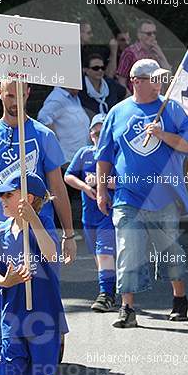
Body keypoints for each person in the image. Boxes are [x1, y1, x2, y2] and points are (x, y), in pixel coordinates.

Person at [96, 59, 188, 327]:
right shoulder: (117, 112)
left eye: (161, 78)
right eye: (154, 78)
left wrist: (163, 134)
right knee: (128, 250)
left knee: (169, 251)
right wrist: (100, 190)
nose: (160, 83)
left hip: (164, 196)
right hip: (127, 197)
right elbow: (104, 155)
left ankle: (179, 298)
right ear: (136, 81)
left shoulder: (172, 108)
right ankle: (128, 308)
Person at [0, 172, 72, 375]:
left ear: (28, 198)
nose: (2, 200)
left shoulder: (42, 226)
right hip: (12, 317)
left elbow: (52, 255)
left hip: (43, 318)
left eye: (8, 194)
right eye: (1, 195)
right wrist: (6, 281)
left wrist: (33, 221)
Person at [0, 77, 77, 266]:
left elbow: (58, 188)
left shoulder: (45, 136)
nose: (15, 101)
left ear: (28, 93)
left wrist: (69, 234)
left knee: (41, 293)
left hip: (39, 229)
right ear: (0, 94)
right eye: (10, 95)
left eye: (20, 95)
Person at [65, 114, 116, 312]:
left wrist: (104, 183)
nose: (98, 136)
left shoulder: (115, 154)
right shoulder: (84, 153)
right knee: (98, 256)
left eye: (102, 132)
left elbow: (127, 180)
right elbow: (68, 175)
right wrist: (86, 188)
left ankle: (106, 295)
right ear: (90, 135)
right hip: (89, 215)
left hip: (108, 213)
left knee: (104, 252)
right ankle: (111, 289)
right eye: (95, 133)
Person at [37, 86, 91, 165]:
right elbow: (43, 117)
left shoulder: (74, 97)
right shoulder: (57, 98)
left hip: (79, 157)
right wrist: (55, 145)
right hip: (67, 160)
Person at [116, 19, 171, 92]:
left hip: (157, 96)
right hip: (137, 97)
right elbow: (121, 80)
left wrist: (161, 56)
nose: (152, 36)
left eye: (154, 33)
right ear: (139, 35)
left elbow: (168, 75)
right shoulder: (129, 53)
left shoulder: (157, 51)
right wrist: (129, 97)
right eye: (149, 34)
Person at [78, 53, 127, 118]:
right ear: (85, 70)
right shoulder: (80, 88)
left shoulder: (111, 84)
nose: (100, 70)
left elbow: (126, 95)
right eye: (96, 68)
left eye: (102, 68)